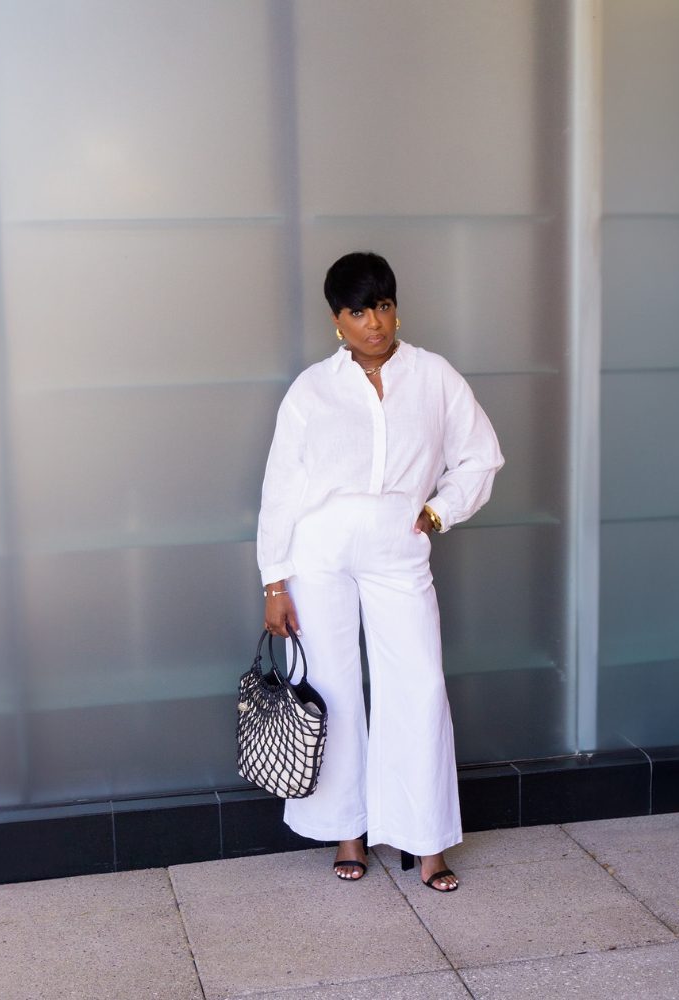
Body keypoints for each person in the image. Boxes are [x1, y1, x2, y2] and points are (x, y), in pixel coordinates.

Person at [257, 251, 504, 892]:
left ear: (397, 307)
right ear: (337, 320)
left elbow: (481, 457)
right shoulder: (313, 388)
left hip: (399, 545)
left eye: (384, 305)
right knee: (334, 689)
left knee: (417, 685)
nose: (375, 322)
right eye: (359, 311)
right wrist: (274, 579)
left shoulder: (434, 376)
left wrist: (440, 509)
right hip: (320, 553)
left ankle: (426, 842)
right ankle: (349, 832)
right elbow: (281, 487)